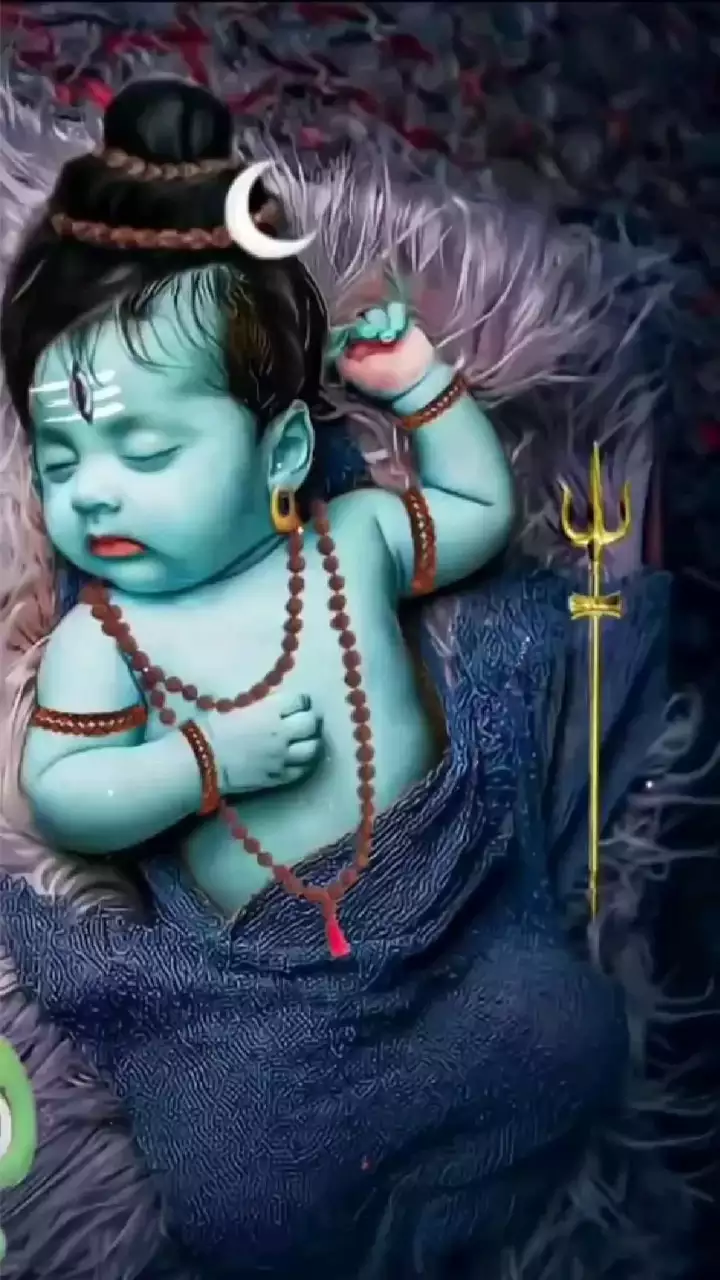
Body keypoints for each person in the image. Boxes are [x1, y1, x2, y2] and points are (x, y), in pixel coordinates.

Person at [0, 78, 692, 1280]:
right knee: (235, 1197)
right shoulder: (101, 637)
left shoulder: (351, 540)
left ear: (279, 451)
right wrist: (199, 761)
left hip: (447, 902)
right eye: (62, 458)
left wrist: (423, 389)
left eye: (145, 449)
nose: (93, 489)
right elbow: (64, 790)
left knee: (571, 1034)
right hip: (255, 983)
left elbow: (477, 513)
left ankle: (452, 1190)